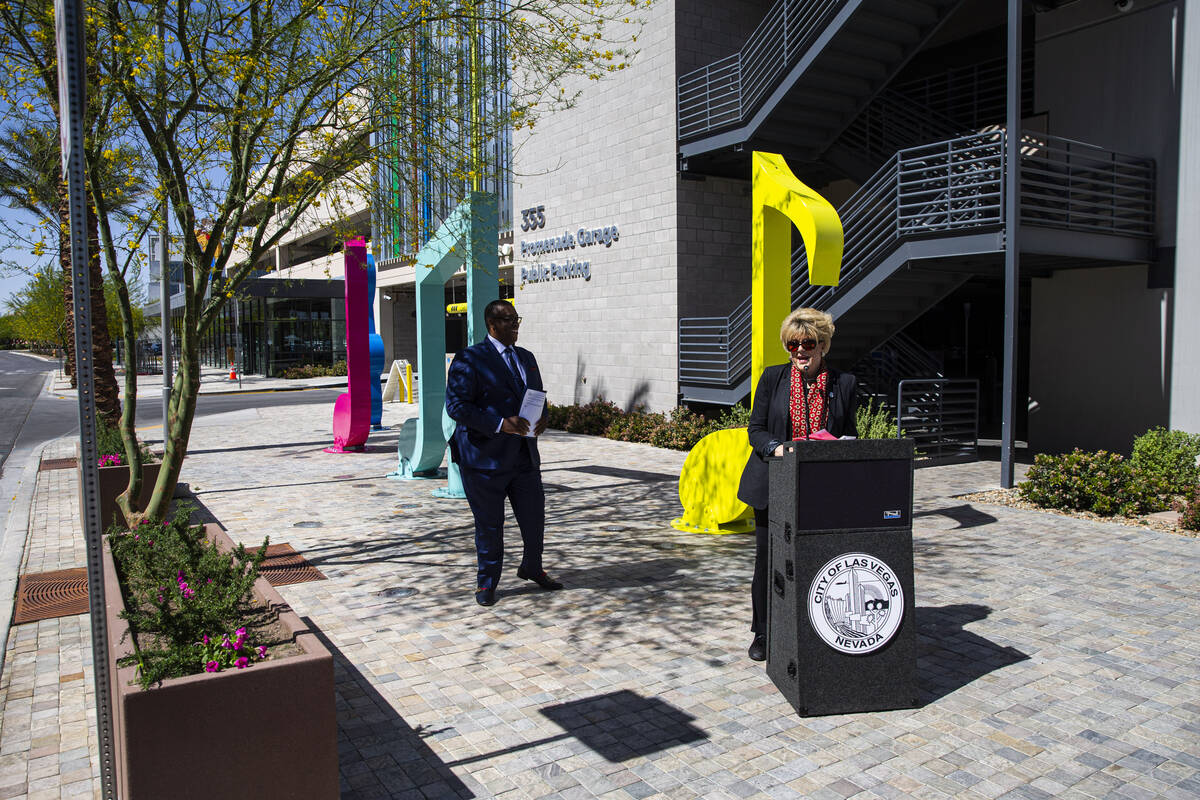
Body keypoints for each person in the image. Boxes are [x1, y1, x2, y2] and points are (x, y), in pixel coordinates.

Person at [736, 308, 858, 661]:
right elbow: (755, 430)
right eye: (793, 344)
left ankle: (814, 624)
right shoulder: (772, 379)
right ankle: (763, 632)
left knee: (815, 558)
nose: (800, 350)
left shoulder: (844, 383)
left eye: (808, 343)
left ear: (823, 345)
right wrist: (776, 447)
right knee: (768, 560)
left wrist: (839, 445)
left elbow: (850, 432)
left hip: (820, 485)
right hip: (773, 482)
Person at [445, 299, 564, 607]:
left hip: (524, 455)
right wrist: (501, 423)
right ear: (492, 325)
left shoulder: (527, 357)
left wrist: (543, 417)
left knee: (534, 518)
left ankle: (532, 567)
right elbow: (457, 407)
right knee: (490, 525)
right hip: (484, 459)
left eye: (517, 319)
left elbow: (536, 395)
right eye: (509, 320)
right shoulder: (470, 359)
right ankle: (487, 583)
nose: (515, 325)